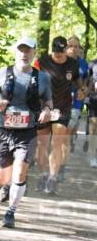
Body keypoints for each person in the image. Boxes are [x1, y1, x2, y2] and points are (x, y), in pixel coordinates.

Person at [0, 37, 53, 229]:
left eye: (28, 50)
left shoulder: (43, 78)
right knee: (3, 178)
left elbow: (48, 102)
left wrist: (46, 111)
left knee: (20, 172)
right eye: (21, 50)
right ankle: (8, 185)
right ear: (16, 52)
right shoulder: (2, 73)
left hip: (27, 132)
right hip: (3, 130)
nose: (24, 54)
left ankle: (10, 212)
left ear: (34, 53)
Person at [34, 36, 82, 194]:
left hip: (63, 107)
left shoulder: (73, 64)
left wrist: (81, 90)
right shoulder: (41, 62)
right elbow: (31, 79)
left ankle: (52, 179)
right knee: (42, 143)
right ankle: (42, 175)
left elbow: (78, 81)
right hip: (43, 107)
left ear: (65, 50)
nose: (58, 56)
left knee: (58, 141)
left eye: (61, 53)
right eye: (56, 53)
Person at [64, 36, 88, 162]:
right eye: (70, 46)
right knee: (60, 133)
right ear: (65, 48)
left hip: (76, 103)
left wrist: (84, 90)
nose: (73, 49)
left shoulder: (83, 64)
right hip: (59, 103)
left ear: (79, 49)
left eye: (76, 46)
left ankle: (62, 165)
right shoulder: (59, 61)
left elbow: (86, 81)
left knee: (67, 132)